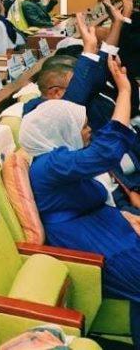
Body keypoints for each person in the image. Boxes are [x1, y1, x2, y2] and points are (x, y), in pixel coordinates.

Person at [20, 58, 140, 348]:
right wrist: (124, 91)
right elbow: (106, 152)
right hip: (94, 244)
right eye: (83, 126)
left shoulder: (58, 157)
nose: (88, 131)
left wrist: (125, 217)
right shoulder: (52, 165)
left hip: (108, 232)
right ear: (61, 129)